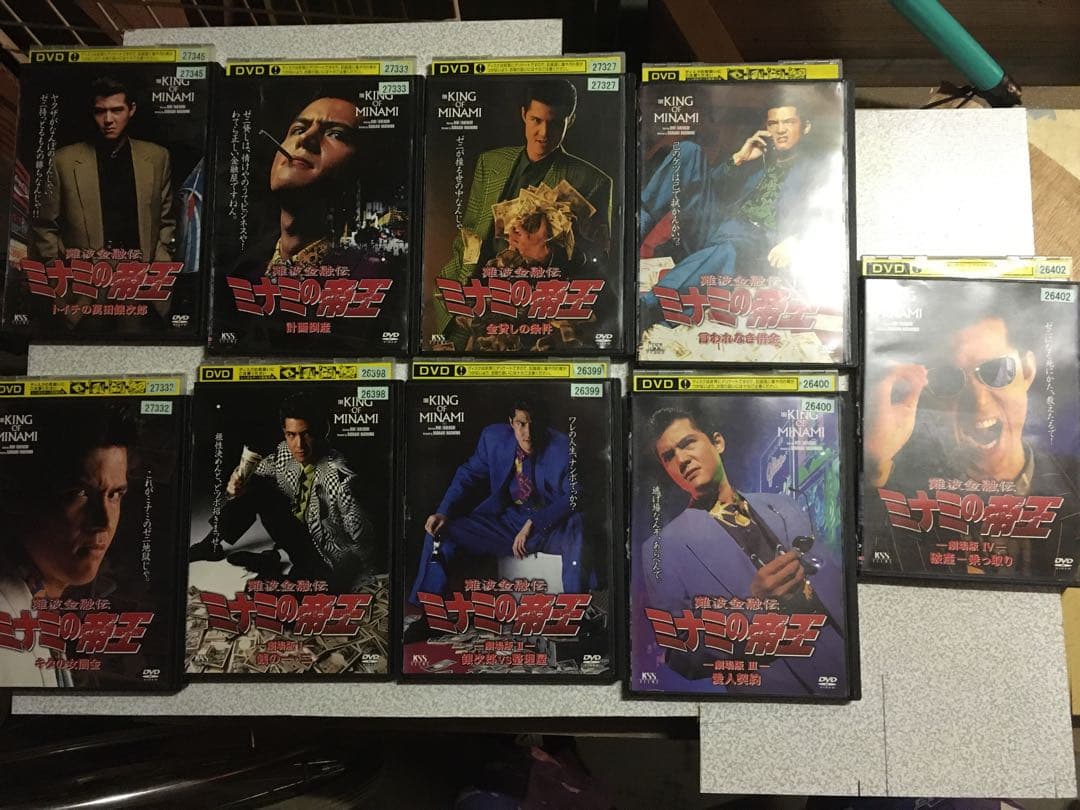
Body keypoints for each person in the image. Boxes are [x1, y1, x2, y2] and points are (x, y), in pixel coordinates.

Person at [863, 296, 1080, 577]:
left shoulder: (1073, 484)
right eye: (949, 379)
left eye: (996, 371)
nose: (978, 403)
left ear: (1027, 371)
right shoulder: (893, 484)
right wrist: (876, 464)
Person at [643, 407, 847, 694]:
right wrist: (752, 606)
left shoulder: (784, 505)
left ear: (717, 443)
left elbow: (836, 580)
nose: (681, 460)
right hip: (774, 693)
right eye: (668, 457)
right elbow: (680, 654)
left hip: (842, 663)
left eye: (688, 443)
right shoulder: (661, 548)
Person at [433, 79, 613, 348]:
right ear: (523, 115)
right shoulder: (490, 163)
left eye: (556, 123)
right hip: (475, 295)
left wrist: (548, 257)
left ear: (571, 120)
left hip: (538, 308)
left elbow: (600, 262)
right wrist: (458, 285)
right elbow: (469, 234)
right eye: (535, 120)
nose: (544, 132)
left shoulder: (593, 181)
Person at [638, 97, 837, 324]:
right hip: (720, 226)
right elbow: (702, 185)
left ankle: (650, 306)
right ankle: (637, 226)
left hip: (757, 242)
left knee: (727, 249)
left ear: (805, 127)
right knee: (688, 151)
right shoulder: (758, 158)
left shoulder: (817, 168)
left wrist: (796, 239)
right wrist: (739, 158)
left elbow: (827, 213)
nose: (780, 130)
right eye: (773, 123)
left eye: (789, 122)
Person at [0, 408, 136, 688]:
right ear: (20, 499)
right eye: (79, 493)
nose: (104, 522)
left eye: (115, 495)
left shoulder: (39, 602)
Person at [188, 392, 376, 589]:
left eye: (306, 434)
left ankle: (273, 564)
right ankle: (212, 544)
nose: (299, 445)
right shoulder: (285, 451)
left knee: (266, 594)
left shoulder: (342, 479)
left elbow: (364, 542)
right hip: (298, 530)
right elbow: (258, 472)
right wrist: (236, 480)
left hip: (324, 554)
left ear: (322, 431)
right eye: (291, 435)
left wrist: (354, 579)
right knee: (255, 485)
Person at [409, 399, 583, 605]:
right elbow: (468, 474)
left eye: (533, 424)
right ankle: (425, 607)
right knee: (440, 532)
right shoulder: (493, 438)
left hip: (550, 526)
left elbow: (576, 494)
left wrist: (535, 522)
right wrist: (443, 511)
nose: (528, 432)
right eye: (521, 424)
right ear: (511, 423)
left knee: (578, 524)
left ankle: (577, 608)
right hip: (506, 523)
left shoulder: (563, 447)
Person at [33, 76, 174, 266]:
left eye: (117, 110)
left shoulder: (158, 157)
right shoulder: (63, 161)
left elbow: (166, 223)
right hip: (83, 278)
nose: (108, 120)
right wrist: (58, 271)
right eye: (100, 111)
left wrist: (160, 267)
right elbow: (45, 226)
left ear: (131, 110)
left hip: (140, 277)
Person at [229, 95, 366, 281]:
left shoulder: (368, 275)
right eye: (298, 129)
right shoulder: (239, 273)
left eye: (336, 134)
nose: (305, 137)